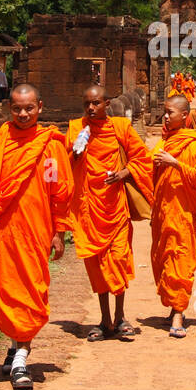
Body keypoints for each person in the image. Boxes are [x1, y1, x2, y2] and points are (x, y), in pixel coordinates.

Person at [0, 83, 73, 390]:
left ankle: (21, 355)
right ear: (7, 110)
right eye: (17, 109)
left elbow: (59, 192)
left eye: (29, 108)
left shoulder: (50, 146)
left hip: (35, 232)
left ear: (40, 107)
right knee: (5, 290)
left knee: (30, 291)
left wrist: (59, 232)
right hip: (1, 232)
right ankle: (18, 349)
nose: (23, 114)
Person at [61, 84, 153, 342]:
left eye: (96, 103)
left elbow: (141, 157)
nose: (91, 108)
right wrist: (76, 154)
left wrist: (124, 173)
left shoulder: (120, 128)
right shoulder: (76, 129)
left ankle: (121, 316)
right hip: (90, 208)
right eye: (87, 104)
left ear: (107, 104)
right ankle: (104, 320)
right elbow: (64, 163)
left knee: (120, 260)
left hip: (116, 208)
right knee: (98, 266)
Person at [150, 94, 196, 338]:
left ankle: (178, 314)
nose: (166, 117)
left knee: (181, 258)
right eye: (165, 112)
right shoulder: (165, 142)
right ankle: (172, 307)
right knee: (164, 259)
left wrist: (175, 163)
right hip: (163, 212)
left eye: (171, 113)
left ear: (185, 116)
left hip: (183, 213)